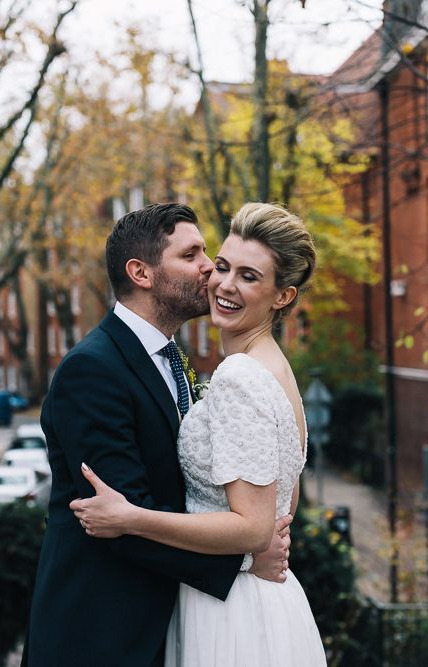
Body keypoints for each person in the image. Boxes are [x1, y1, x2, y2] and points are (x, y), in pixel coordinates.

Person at [23, 203, 291, 667]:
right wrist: (244, 559)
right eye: (191, 255)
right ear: (141, 273)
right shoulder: (93, 370)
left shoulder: (171, 359)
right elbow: (117, 521)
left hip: (170, 627)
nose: (210, 267)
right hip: (101, 640)